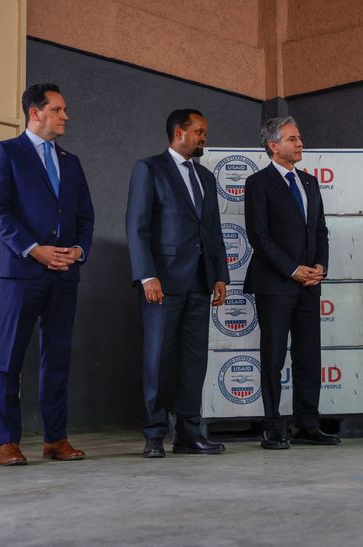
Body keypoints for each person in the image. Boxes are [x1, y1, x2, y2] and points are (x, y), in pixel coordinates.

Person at [0, 83, 95, 466]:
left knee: (57, 360)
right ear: (36, 113)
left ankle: (56, 439)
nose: (66, 116)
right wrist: (35, 250)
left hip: (64, 274)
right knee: (9, 360)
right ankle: (6, 442)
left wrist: (78, 251)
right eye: (59, 109)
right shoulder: (6, 153)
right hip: (21, 273)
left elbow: (85, 217)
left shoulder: (72, 161)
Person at [126, 109, 229, 458]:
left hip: (200, 282)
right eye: (199, 131)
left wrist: (219, 275)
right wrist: (146, 275)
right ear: (178, 132)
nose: (204, 137)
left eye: (204, 132)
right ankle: (154, 434)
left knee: (193, 360)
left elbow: (212, 231)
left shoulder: (206, 177)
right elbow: (137, 226)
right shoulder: (149, 169)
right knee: (157, 359)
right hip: (162, 283)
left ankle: (188, 432)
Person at [243, 116, 339, 449]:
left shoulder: (310, 182)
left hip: (310, 284)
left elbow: (321, 230)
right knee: (273, 356)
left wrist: (319, 267)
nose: (300, 143)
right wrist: (292, 269)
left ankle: (307, 424)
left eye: (300, 138)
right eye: (292, 138)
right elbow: (259, 235)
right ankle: (272, 426)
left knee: (309, 356)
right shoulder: (258, 183)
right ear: (273, 145)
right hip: (274, 284)